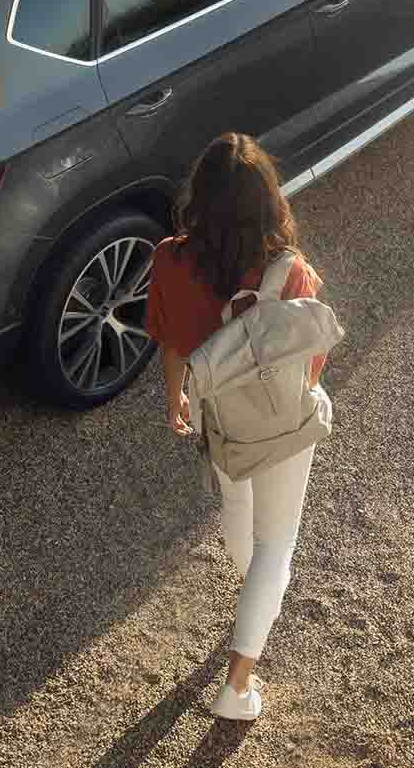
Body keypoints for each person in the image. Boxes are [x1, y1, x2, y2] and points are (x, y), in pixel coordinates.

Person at [149, 131, 331, 722]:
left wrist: (176, 400)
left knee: (237, 506)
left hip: (218, 416)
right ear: (267, 202)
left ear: (198, 197)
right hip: (279, 424)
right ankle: (236, 686)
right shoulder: (289, 272)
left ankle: (252, 588)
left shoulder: (171, 259)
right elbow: (310, 364)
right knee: (277, 545)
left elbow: (174, 343)